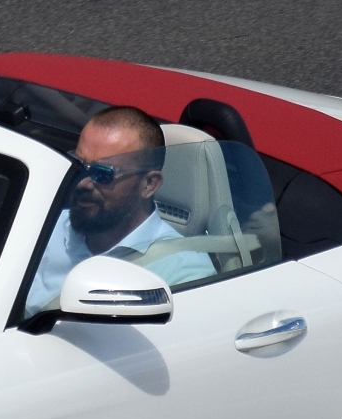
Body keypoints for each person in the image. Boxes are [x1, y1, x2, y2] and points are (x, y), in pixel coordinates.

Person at [22, 106, 215, 313]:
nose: (83, 183)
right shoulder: (43, 226)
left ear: (149, 184)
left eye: (103, 174)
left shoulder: (184, 274)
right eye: (77, 165)